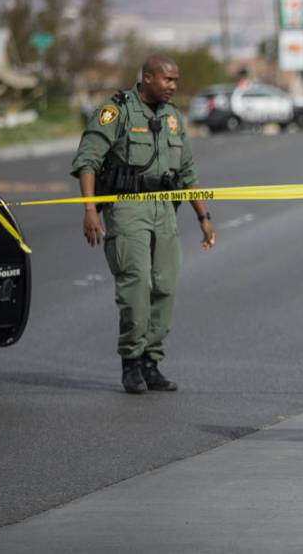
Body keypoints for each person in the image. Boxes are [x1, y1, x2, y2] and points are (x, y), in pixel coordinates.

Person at [71, 54, 216, 394]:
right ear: (148, 77)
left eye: (176, 81)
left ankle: (152, 361)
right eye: (168, 80)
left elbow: (188, 175)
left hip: (164, 208)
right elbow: (88, 161)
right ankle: (131, 361)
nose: (173, 86)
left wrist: (203, 217)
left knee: (165, 286)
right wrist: (90, 210)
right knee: (136, 285)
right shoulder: (116, 111)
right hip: (126, 208)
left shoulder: (174, 119)